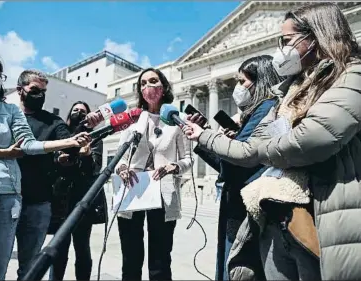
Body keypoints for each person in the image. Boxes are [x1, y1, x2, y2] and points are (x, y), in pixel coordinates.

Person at [183, 3, 361, 280]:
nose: (282, 50)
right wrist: (205, 136)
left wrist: (259, 149)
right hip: (278, 214)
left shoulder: (351, 76)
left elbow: (310, 140)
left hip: (326, 213)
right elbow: (247, 149)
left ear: (316, 36)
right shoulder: (290, 91)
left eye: (287, 41)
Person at [0, 54, 90, 281]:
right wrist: (4, 153)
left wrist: (70, 142)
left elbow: (28, 144)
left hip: (8, 199)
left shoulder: (10, 111)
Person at [190, 55, 283, 280]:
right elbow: (226, 165)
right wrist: (205, 139)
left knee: (239, 268)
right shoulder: (254, 112)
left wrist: (205, 136)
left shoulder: (266, 109)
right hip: (238, 206)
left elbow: (241, 160)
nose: (238, 88)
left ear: (260, 80)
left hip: (247, 207)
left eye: (242, 81)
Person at [109, 68, 192, 280]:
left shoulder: (177, 120)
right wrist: (122, 169)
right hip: (132, 188)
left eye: (153, 81)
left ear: (163, 87)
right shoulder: (132, 120)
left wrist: (173, 167)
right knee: (131, 256)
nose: (148, 87)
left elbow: (188, 159)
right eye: (143, 83)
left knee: (160, 259)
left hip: (163, 192)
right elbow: (119, 157)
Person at [49, 101, 108, 281]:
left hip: (82, 201)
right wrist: (60, 158)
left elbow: (94, 169)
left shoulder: (95, 138)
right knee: (59, 249)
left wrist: (87, 155)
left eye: (83, 112)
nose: (79, 114)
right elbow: (52, 162)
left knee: (82, 248)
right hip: (61, 200)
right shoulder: (61, 135)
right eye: (75, 110)